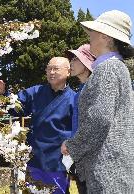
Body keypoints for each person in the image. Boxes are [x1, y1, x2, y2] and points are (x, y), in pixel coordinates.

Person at [61, 10, 134, 193]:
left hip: (107, 170)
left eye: (93, 32)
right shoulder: (116, 68)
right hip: (114, 168)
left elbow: (99, 119)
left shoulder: (107, 69)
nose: (89, 37)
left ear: (105, 36)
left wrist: (71, 145)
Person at [0, 57, 76, 194]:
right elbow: (16, 108)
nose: (51, 72)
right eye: (49, 68)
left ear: (68, 72)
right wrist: (4, 93)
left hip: (58, 162)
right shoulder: (36, 92)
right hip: (35, 159)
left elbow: (78, 130)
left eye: (56, 69)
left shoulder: (75, 99)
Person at [65, 44, 95, 194]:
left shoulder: (94, 89)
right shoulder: (79, 92)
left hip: (93, 162)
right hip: (80, 159)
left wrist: (71, 144)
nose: (71, 62)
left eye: (76, 58)